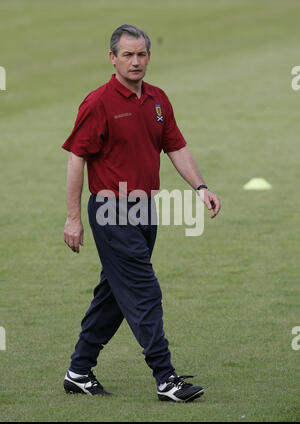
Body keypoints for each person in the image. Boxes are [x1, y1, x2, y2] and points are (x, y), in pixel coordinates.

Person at [61, 24, 221, 402]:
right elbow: (76, 159)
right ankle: (166, 379)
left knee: (115, 294)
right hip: (111, 212)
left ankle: (78, 371)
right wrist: (72, 217)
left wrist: (200, 186)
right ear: (112, 58)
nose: (136, 61)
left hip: (145, 211)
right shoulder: (98, 103)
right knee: (144, 291)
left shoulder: (158, 100)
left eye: (142, 54)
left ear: (149, 56)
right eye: (128, 54)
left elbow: (176, 146)